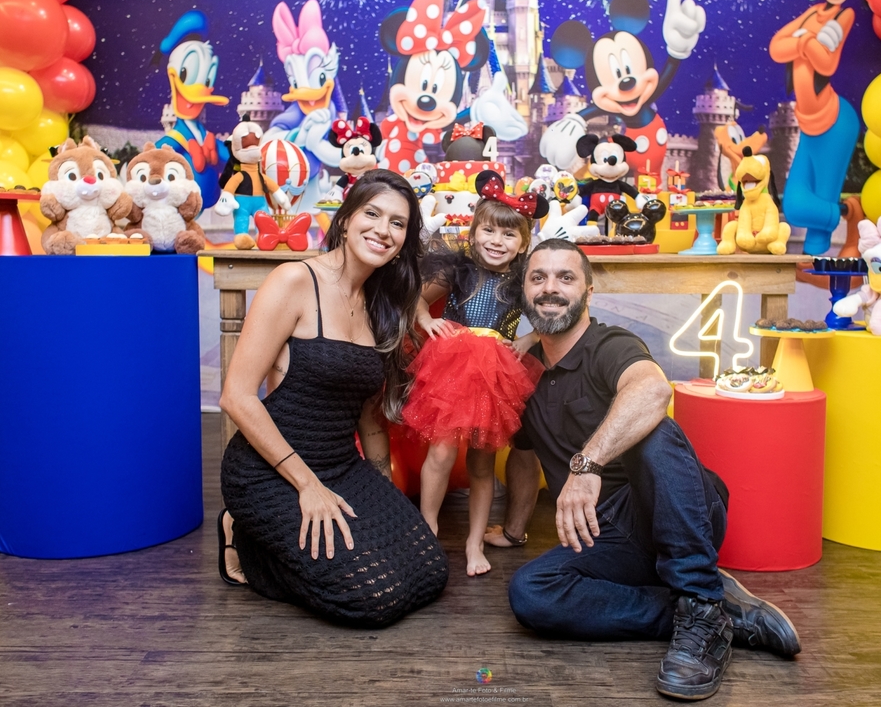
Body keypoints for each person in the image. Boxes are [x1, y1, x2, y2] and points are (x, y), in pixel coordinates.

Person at [490, 238, 800, 700]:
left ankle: (699, 597)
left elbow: (653, 391)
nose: (550, 288)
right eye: (539, 278)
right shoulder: (525, 368)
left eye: (565, 277)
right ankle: (709, 611)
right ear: (525, 292)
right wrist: (516, 531)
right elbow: (524, 453)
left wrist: (587, 464)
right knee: (531, 593)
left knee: (655, 432)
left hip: (673, 511)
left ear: (588, 292)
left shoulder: (610, 344)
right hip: (603, 535)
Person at [217, 169, 449, 628]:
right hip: (269, 472)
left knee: (429, 569)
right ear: (345, 219)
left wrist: (385, 498)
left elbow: (369, 417)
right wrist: (308, 487)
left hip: (340, 466)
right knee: (372, 598)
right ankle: (244, 539)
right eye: (372, 214)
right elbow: (236, 397)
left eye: (398, 223)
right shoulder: (294, 281)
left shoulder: (382, 303)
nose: (383, 230)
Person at [403, 173, 546, 578]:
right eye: (489, 230)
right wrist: (424, 320)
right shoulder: (458, 268)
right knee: (442, 452)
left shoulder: (524, 278)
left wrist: (529, 338)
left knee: (483, 465)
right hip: (452, 363)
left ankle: (474, 542)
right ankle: (427, 528)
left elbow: (553, 315)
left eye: (509, 234)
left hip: (496, 372)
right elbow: (417, 300)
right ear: (473, 231)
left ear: (523, 243)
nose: (497, 241)